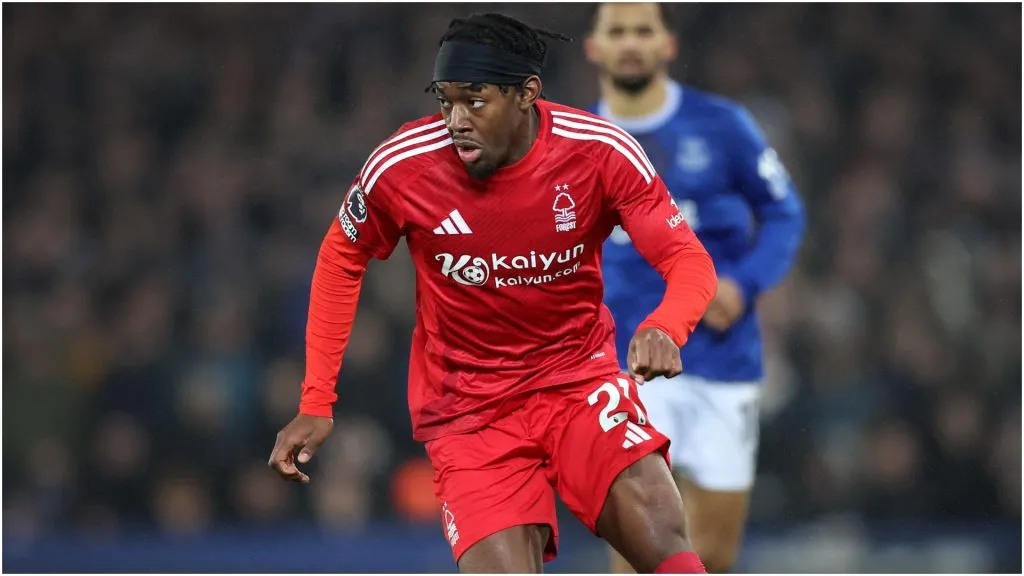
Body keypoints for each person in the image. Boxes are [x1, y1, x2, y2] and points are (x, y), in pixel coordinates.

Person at [268, 12, 718, 574]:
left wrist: (663, 326)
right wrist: (316, 400)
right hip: (469, 411)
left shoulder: (599, 153)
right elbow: (341, 258)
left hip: (575, 381)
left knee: (661, 535)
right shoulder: (401, 167)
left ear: (526, 93)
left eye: (474, 101)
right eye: (446, 101)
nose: (456, 120)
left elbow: (687, 259)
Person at [584, 3, 806, 573]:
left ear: (668, 45)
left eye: (643, 31)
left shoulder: (723, 126)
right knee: (640, 547)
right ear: (594, 47)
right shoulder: (574, 141)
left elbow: (783, 213)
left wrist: (743, 283)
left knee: (713, 553)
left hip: (722, 359)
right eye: (618, 31)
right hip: (624, 364)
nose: (631, 43)